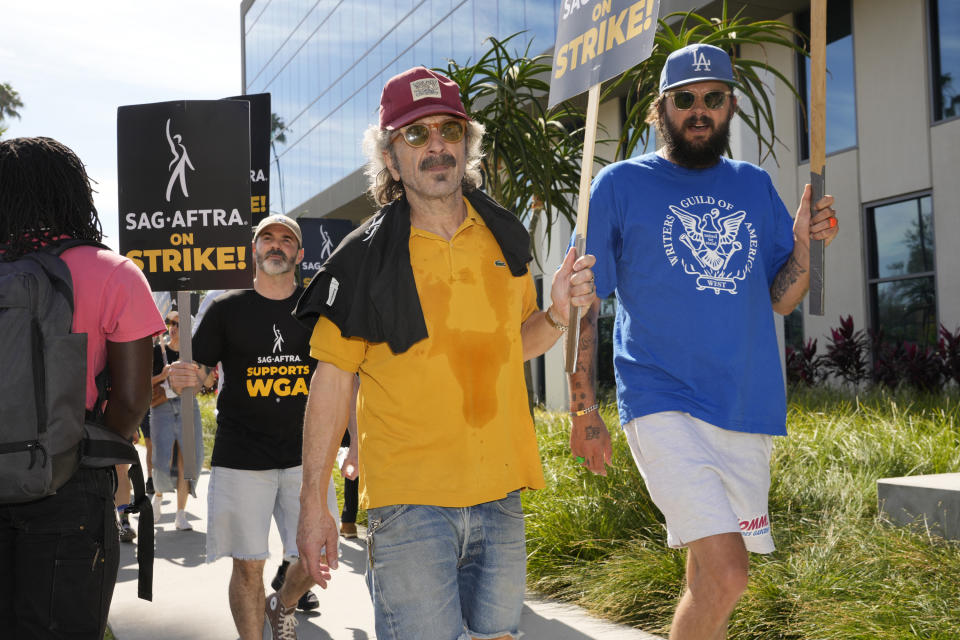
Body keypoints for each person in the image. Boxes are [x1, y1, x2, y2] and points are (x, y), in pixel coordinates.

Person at [292, 66, 598, 640]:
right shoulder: (363, 259)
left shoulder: (504, 237)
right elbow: (331, 384)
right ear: (390, 157)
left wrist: (556, 314)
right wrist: (316, 503)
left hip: (501, 494)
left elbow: (516, 342)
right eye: (415, 134)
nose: (436, 146)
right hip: (409, 506)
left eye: (449, 131)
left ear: (467, 142)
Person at [566, 44, 840, 640]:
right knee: (728, 574)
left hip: (745, 406)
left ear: (730, 105)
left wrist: (802, 244)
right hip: (661, 400)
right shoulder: (619, 185)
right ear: (660, 109)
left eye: (712, 99)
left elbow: (781, 296)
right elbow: (586, 304)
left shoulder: (753, 184)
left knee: (708, 582)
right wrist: (584, 408)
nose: (699, 110)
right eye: (684, 99)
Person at [0, 136, 163, 639]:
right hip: (69, 485)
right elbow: (133, 399)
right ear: (74, 193)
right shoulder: (113, 273)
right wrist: (87, 455)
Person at [168, 214, 338, 640]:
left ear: (300, 254)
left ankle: (284, 602)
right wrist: (182, 375)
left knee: (315, 559)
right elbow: (201, 371)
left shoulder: (318, 308)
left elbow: (339, 379)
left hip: (307, 458)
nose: (276, 246)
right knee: (247, 563)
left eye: (286, 240)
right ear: (254, 250)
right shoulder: (226, 308)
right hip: (241, 456)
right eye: (267, 239)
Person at [150, 308, 208, 530]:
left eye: (177, 324)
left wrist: (201, 376)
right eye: (169, 324)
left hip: (186, 405)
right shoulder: (158, 351)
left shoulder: (193, 353)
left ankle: (180, 514)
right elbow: (143, 383)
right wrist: (163, 375)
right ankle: (158, 495)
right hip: (162, 405)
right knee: (162, 456)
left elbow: (206, 382)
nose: (172, 328)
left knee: (188, 458)